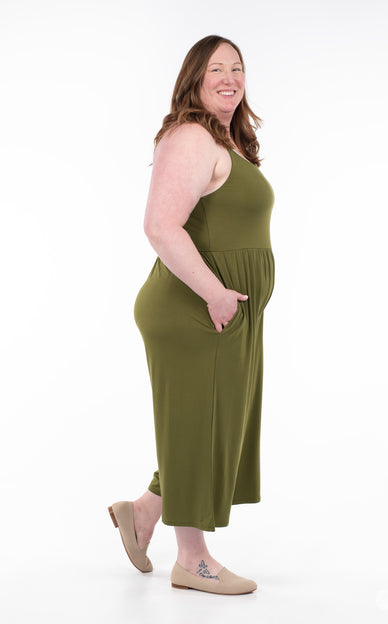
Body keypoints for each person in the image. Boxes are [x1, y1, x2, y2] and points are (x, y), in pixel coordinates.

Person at [108, 34, 275, 595]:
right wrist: (215, 293)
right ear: (194, 79)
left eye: (237, 68)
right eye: (215, 69)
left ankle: (142, 513)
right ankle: (192, 560)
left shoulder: (226, 141)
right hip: (194, 308)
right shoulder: (190, 136)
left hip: (218, 311)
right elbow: (160, 225)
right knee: (196, 425)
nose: (229, 78)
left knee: (202, 423)